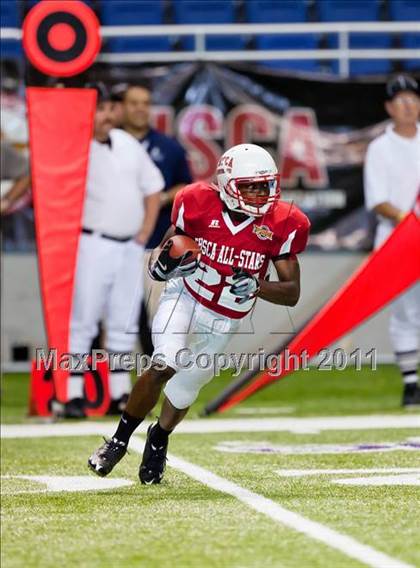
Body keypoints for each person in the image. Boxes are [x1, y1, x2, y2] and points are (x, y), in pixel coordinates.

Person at [88, 143, 310, 483]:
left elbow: (292, 293)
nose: (260, 194)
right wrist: (160, 266)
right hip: (185, 297)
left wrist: (256, 286)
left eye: (265, 185)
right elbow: (170, 244)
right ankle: (118, 441)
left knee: (184, 390)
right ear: (226, 184)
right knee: (166, 361)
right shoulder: (195, 202)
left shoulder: (283, 222)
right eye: (250, 186)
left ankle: (159, 437)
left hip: (226, 317)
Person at [64, 83, 164, 418]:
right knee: (84, 318)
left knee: (124, 321)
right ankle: (72, 394)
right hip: (92, 242)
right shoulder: (74, 147)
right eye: (100, 109)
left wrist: (145, 231)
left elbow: (153, 188)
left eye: (109, 109)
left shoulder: (127, 143)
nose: (106, 116)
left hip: (128, 246)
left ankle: (120, 394)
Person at [121, 83, 193, 355]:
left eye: (145, 103)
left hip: (156, 243)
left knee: (160, 312)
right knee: (118, 316)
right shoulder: (110, 144)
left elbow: (186, 187)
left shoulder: (168, 147)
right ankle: (112, 379)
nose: (140, 108)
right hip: (116, 242)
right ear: (122, 108)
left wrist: (157, 198)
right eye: (134, 102)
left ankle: (163, 365)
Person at [364, 74, 420, 408]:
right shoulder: (379, 148)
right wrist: (409, 224)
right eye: (400, 99)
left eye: (413, 98)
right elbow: (378, 200)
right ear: (389, 107)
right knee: (405, 312)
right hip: (396, 242)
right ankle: (411, 383)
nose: (409, 104)